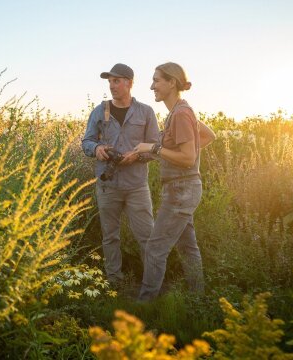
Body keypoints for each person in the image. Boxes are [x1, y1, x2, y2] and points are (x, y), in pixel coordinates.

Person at [134, 62, 216, 301]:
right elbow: (209, 136)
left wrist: (156, 148)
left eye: (157, 80)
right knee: (188, 248)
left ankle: (146, 305)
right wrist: (146, 152)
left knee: (155, 249)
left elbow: (188, 158)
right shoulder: (182, 111)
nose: (152, 86)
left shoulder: (180, 114)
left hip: (181, 190)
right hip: (184, 189)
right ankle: (197, 300)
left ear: (171, 82)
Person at [82, 63, 160, 286]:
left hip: (136, 185)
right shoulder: (100, 111)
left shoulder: (146, 112)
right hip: (108, 185)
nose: (112, 86)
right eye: (110, 81)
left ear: (129, 83)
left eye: (116, 81)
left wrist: (137, 156)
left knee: (147, 236)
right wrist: (96, 149)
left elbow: (155, 146)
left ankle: (152, 283)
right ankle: (115, 282)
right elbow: (87, 141)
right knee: (110, 237)